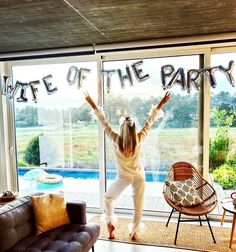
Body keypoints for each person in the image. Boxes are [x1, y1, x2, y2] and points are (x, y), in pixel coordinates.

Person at [84, 91, 170, 240]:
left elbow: (103, 122)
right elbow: (150, 121)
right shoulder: (139, 138)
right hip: (138, 176)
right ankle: (134, 232)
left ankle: (110, 224)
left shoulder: (116, 139)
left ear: (122, 128)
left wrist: (91, 102)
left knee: (108, 198)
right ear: (133, 129)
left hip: (123, 177)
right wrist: (161, 103)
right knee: (138, 205)